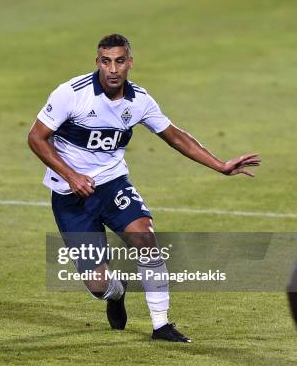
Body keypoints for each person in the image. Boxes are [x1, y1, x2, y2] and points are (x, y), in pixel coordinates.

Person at [27, 34, 261, 342]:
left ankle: (161, 325)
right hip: (70, 196)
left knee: (145, 237)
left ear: (130, 63)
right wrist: (71, 176)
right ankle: (116, 292)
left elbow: (176, 136)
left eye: (120, 61)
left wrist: (220, 165)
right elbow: (36, 138)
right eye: (106, 61)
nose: (113, 69)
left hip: (112, 185)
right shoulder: (71, 94)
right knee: (97, 285)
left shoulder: (139, 101)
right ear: (97, 62)